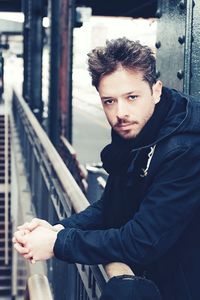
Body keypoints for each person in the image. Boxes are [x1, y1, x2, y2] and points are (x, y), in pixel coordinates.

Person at [13, 37, 200, 300]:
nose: (120, 112)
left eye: (132, 97)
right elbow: (111, 205)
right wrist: (57, 229)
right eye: (109, 101)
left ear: (156, 91)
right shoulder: (139, 129)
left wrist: (58, 244)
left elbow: (142, 242)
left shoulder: (186, 148)